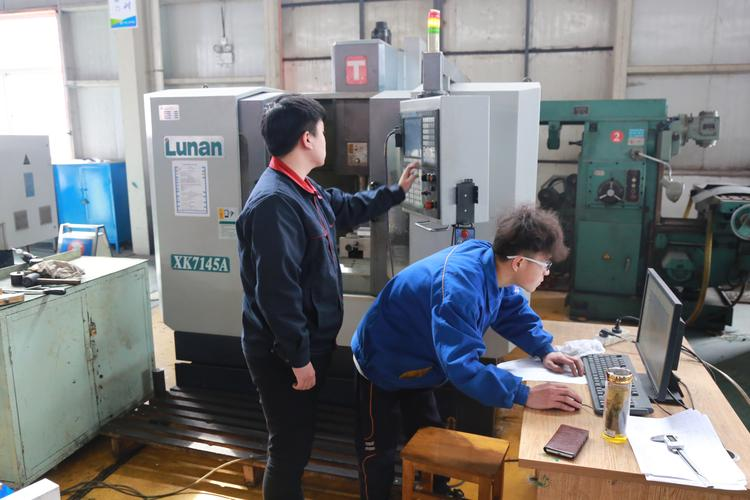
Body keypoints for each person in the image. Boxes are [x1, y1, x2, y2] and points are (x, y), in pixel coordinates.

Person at [236, 94, 418, 500]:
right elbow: (277, 293)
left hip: (306, 344)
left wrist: (395, 192)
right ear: (307, 139)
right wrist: (298, 358)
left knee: (297, 440)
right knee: (289, 448)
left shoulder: (301, 187)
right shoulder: (275, 202)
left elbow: (343, 207)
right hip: (283, 355)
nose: (325, 140)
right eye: (322, 132)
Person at [350, 205, 585, 499]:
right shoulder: (460, 289)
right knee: (378, 451)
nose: (547, 273)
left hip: (421, 362)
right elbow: (462, 366)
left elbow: (510, 310)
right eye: (545, 264)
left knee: (431, 433)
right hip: (382, 361)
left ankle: (436, 491)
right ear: (518, 262)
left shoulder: (492, 266)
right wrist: (525, 394)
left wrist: (544, 349)